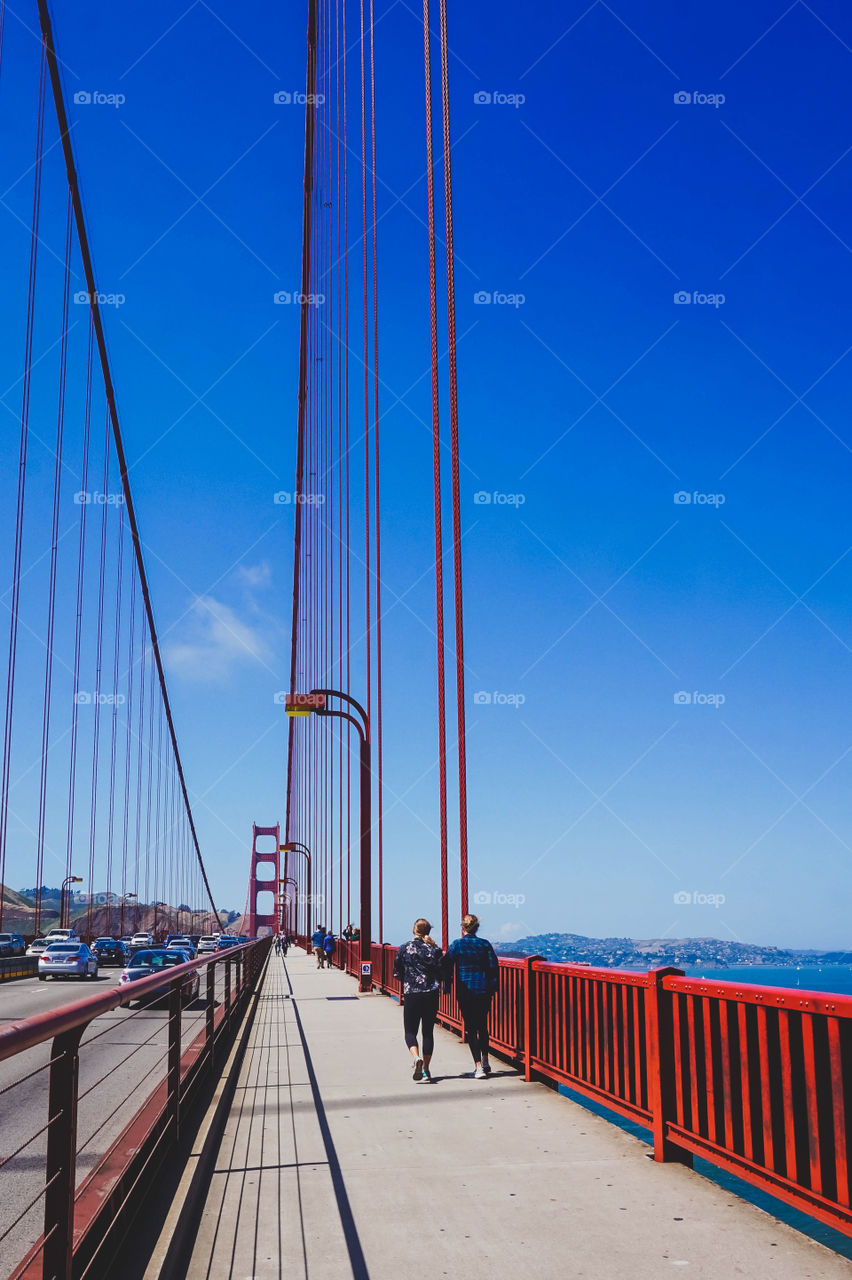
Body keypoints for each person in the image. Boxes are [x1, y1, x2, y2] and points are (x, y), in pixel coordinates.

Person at [442, 914, 499, 1079]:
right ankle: (486, 1060)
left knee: (471, 1029)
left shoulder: (457, 945)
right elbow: (493, 966)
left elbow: (445, 964)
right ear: (477, 927)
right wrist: (493, 987)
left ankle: (478, 1067)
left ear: (463, 927)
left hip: (465, 991)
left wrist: (447, 982)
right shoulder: (484, 944)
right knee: (483, 1026)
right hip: (483, 990)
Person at [393, 919, 444, 1082]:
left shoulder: (404, 948)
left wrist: (408, 980)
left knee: (410, 1031)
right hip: (431, 994)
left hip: (412, 993)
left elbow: (397, 972)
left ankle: (416, 1058)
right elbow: (441, 972)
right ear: (428, 931)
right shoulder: (435, 949)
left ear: (414, 930)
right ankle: (426, 1070)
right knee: (428, 1032)